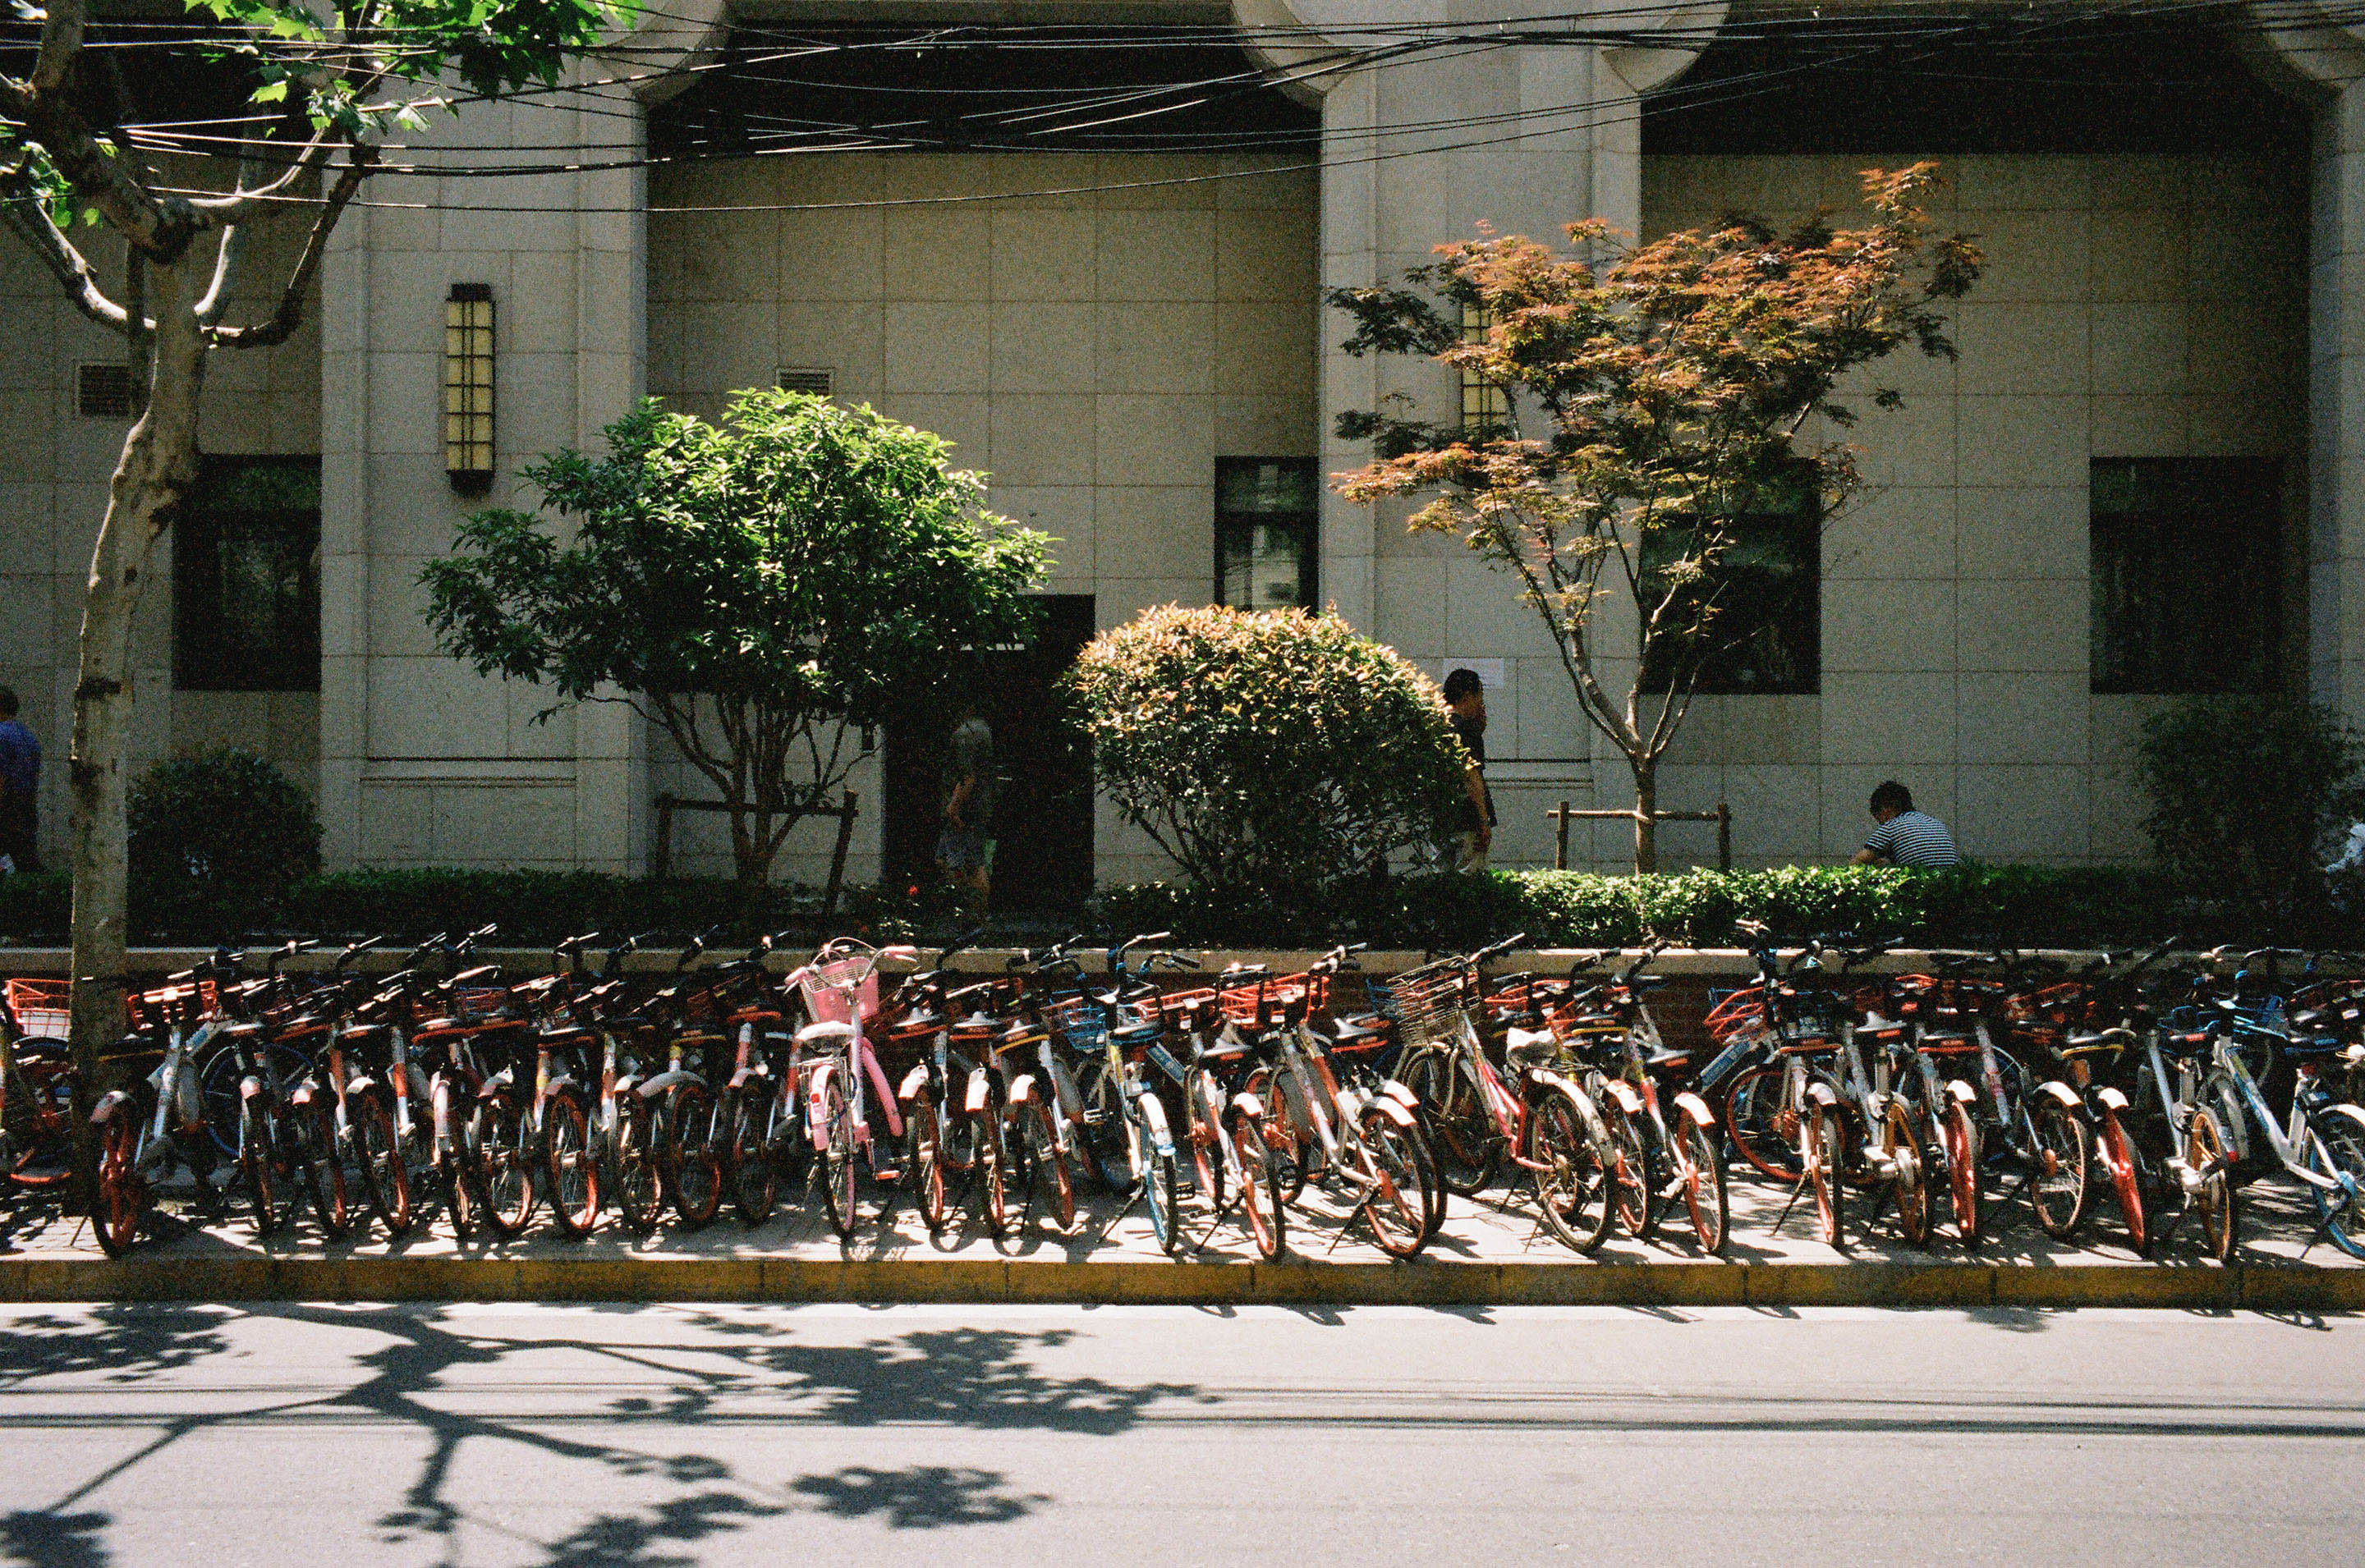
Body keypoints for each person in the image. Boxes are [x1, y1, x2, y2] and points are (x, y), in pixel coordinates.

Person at [937, 700, 996, 909]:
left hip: (966, 811)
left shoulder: (964, 734)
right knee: (963, 861)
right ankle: (973, 914)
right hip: (978, 807)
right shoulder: (983, 729)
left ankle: (973, 913)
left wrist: (953, 809)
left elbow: (967, 777)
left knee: (965, 864)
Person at [1443, 667, 1495, 872]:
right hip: (1467, 819)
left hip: (1441, 819)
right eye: (1479, 696)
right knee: (1469, 879)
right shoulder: (1467, 731)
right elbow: (1472, 778)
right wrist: (1483, 820)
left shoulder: (1435, 727)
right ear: (1467, 696)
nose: (1481, 703)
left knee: (1440, 879)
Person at [1853, 780, 1958, 869]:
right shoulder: (1936, 824)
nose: (1880, 823)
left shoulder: (1891, 827)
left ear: (1885, 810)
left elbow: (1857, 863)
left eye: (1877, 816)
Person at [0, 687, 38, 875]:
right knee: (25, 863)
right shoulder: (29, 737)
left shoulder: (1, 735)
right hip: (26, 809)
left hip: (6, 809)